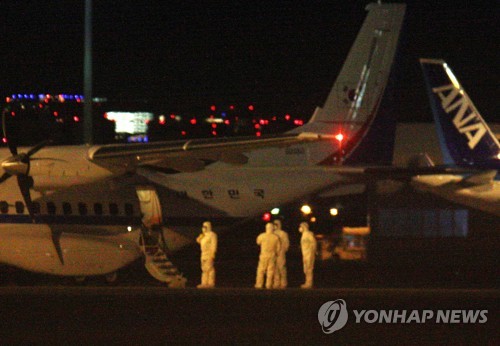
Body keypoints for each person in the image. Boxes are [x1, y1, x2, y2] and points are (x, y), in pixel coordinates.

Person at [255, 222, 281, 289]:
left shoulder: (262, 236)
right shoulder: (276, 237)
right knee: (270, 271)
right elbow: (278, 248)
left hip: (263, 256)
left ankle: (259, 284)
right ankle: (268, 285)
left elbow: (258, 242)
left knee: (261, 270)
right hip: (272, 256)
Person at [196, 221, 217, 288]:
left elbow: (214, 245)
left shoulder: (212, 235)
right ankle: (204, 283)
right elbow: (199, 241)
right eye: (203, 227)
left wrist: (213, 253)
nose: (203, 228)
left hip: (209, 254)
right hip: (203, 254)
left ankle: (210, 283)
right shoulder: (204, 235)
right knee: (204, 269)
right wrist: (200, 237)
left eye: (205, 227)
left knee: (210, 268)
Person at [299, 222, 317, 289]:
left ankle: (309, 283)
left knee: (309, 269)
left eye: (301, 227)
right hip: (305, 254)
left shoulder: (309, 234)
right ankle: (307, 282)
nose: (300, 228)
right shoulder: (303, 235)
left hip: (309, 254)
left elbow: (314, 243)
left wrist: (313, 252)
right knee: (306, 269)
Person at [272, 219, 289, 289]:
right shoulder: (272, 233)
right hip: (274, 253)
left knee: (281, 267)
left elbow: (286, 243)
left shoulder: (283, 234)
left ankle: (283, 282)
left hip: (281, 253)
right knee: (275, 268)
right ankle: (276, 282)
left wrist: (283, 250)